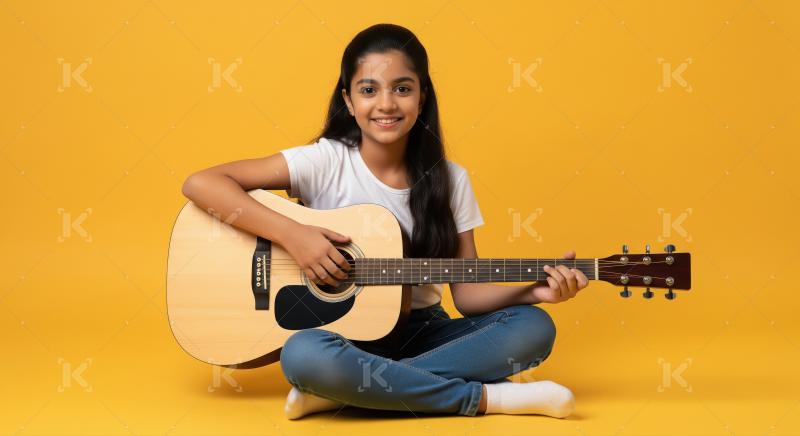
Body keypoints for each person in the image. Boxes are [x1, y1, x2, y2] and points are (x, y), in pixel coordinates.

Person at [181, 23, 589, 420]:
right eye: (369, 90)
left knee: (534, 328)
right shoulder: (325, 162)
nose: (387, 104)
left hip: (424, 332)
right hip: (341, 336)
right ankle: (488, 400)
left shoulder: (451, 181)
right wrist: (293, 235)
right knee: (303, 353)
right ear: (348, 99)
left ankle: (347, 392)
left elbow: (466, 296)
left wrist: (533, 292)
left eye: (402, 88)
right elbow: (202, 183)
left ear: (422, 96)